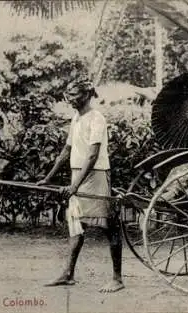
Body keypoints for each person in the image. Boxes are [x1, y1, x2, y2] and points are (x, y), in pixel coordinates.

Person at [36, 77, 124, 293]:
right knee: (76, 224)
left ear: (86, 94)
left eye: (74, 94)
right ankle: (68, 273)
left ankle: (117, 278)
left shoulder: (97, 118)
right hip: (79, 174)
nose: (69, 99)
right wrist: (48, 177)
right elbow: (66, 150)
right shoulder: (76, 117)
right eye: (68, 94)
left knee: (108, 225)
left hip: (96, 175)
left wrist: (75, 185)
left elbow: (93, 155)